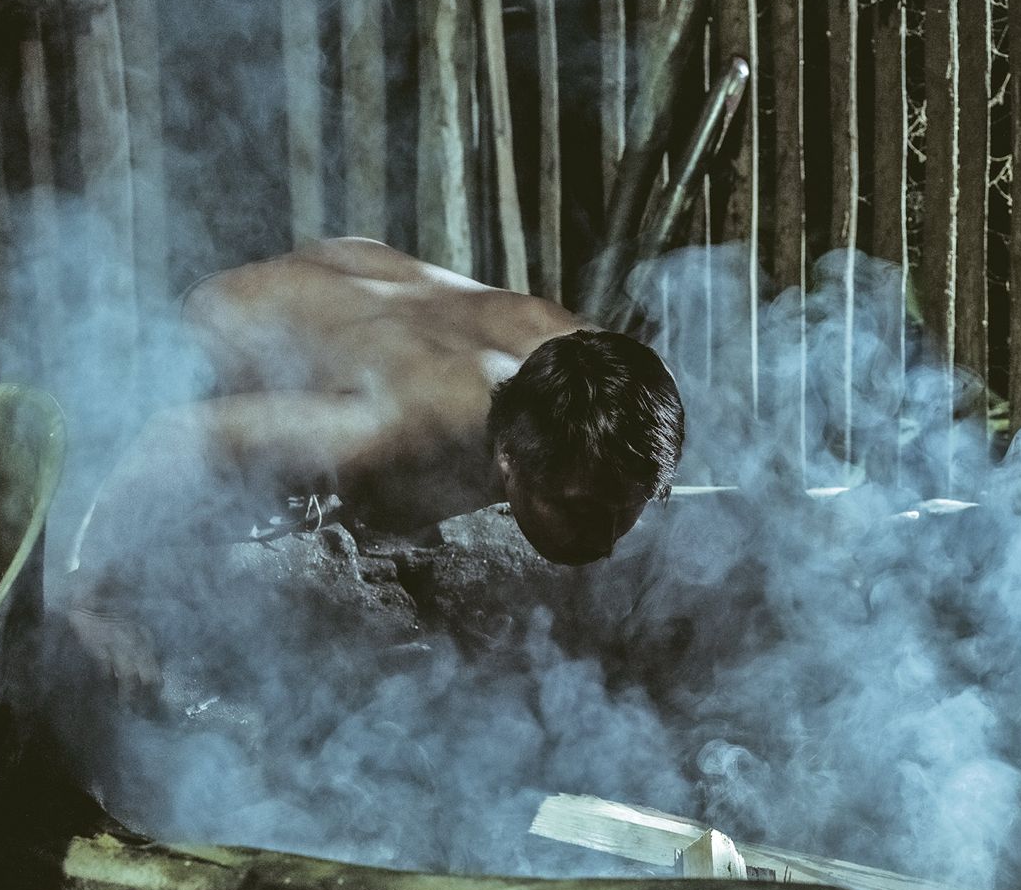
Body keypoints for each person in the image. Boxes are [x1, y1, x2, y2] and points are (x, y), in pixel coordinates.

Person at [65, 237, 685, 691]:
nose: (603, 544)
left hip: (360, 292)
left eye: (620, 513)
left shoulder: (592, 374)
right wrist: (87, 602)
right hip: (213, 340)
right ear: (509, 458)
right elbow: (176, 436)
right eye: (578, 512)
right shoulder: (387, 431)